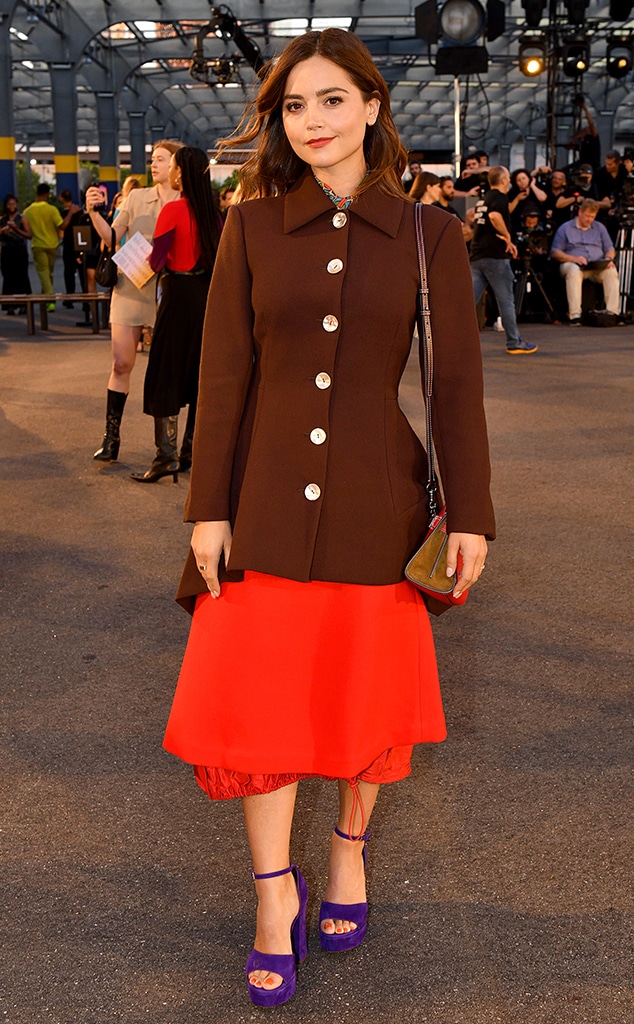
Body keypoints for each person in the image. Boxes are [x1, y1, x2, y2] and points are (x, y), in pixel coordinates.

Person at [162, 27, 495, 1008]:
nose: (312, 122)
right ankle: (274, 897)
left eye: (331, 101)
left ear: (373, 107)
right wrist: (205, 509)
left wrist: (467, 510)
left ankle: (346, 851)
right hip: (259, 502)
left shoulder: (430, 235)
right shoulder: (253, 229)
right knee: (261, 714)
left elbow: (456, 391)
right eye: (293, 106)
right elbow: (222, 381)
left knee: (362, 707)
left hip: (376, 505)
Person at [85, 140, 182, 462]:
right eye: (152, 159)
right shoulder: (137, 197)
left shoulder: (188, 201)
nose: (153, 164)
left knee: (166, 371)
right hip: (129, 285)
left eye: (160, 159)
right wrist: (92, 212)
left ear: (176, 165)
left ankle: (165, 450)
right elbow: (112, 237)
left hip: (169, 290)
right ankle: (110, 438)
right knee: (121, 363)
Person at [131, 147, 221, 483]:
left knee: (165, 373)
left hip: (176, 298)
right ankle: (190, 454)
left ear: (181, 173)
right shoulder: (214, 214)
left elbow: (156, 262)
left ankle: (164, 457)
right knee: (200, 376)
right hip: (205, 300)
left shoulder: (172, 210)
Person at [469, 165, 538, 354]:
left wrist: (516, 200)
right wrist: (508, 238)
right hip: (495, 256)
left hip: (477, 256)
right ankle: (514, 342)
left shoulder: (486, 198)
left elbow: (498, 212)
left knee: (468, 302)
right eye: (508, 177)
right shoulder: (499, 197)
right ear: (503, 180)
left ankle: (449, 339)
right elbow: (495, 215)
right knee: (506, 300)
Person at [550, 198, 620, 325]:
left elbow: (609, 248)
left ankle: (612, 313)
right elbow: (555, 252)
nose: (589, 220)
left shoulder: (600, 227)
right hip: (573, 263)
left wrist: (609, 259)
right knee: (574, 271)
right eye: (587, 216)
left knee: (611, 271)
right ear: (580, 212)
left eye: (592, 217)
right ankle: (575, 314)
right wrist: (573, 258)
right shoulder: (565, 228)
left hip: (596, 264)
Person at [23, 183, 78, 310]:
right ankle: (49, 299)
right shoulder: (52, 209)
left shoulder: (27, 212)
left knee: (44, 273)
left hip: (37, 245)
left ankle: (48, 299)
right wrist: (70, 213)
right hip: (52, 244)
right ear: (47, 194)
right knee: (50, 274)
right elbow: (62, 225)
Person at [1, 194, 32, 313]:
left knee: (22, 276)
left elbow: (29, 235)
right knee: (8, 277)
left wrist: (16, 229)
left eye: (13, 204)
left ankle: (24, 303)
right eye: (9, 204)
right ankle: (10, 304)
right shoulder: (3, 219)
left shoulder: (22, 218)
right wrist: (3, 231)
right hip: (7, 250)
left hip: (19, 250)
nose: (11, 207)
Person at [508, 168, 547, 235]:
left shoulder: (537, 187)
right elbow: (509, 210)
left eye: (524, 178)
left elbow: (543, 198)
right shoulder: (512, 193)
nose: (522, 181)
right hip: (519, 225)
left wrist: (532, 185)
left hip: (538, 224)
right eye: (519, 180)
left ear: (528, 178)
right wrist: (517, 199)